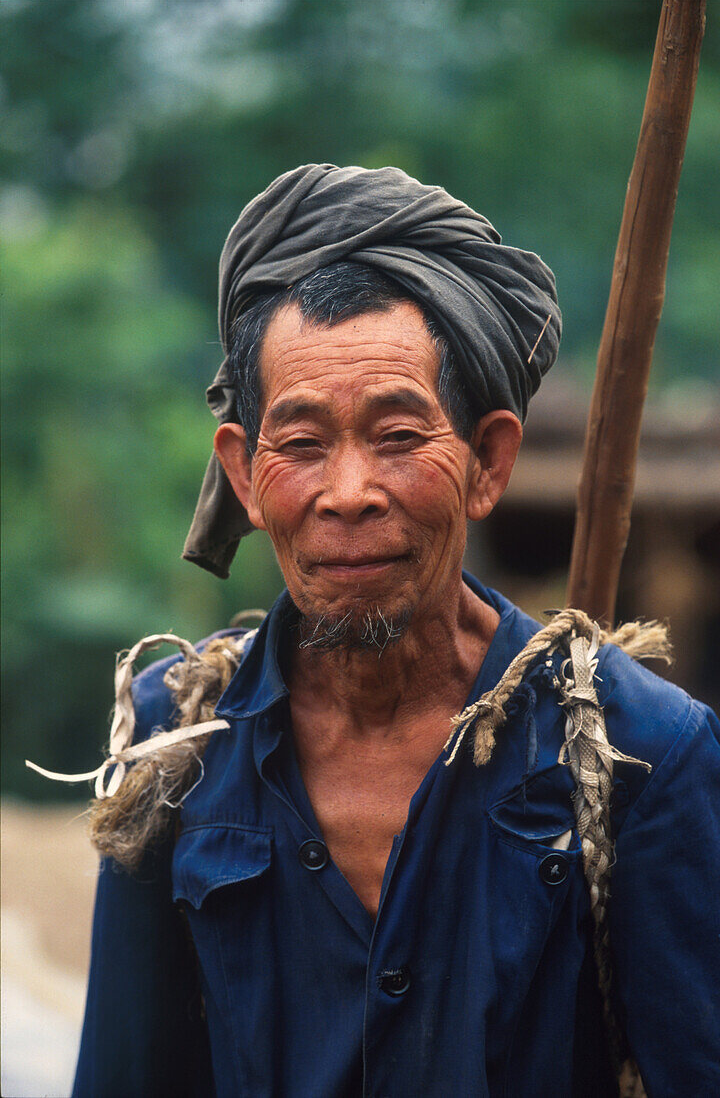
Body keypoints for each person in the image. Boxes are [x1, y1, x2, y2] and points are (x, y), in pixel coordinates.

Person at [71, 166, 719, 1097]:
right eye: (299, 445)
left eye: (398, 436)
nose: (348, 493)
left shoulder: (641, 755)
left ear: (489, 463)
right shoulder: (177, 750)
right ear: (247, 477)